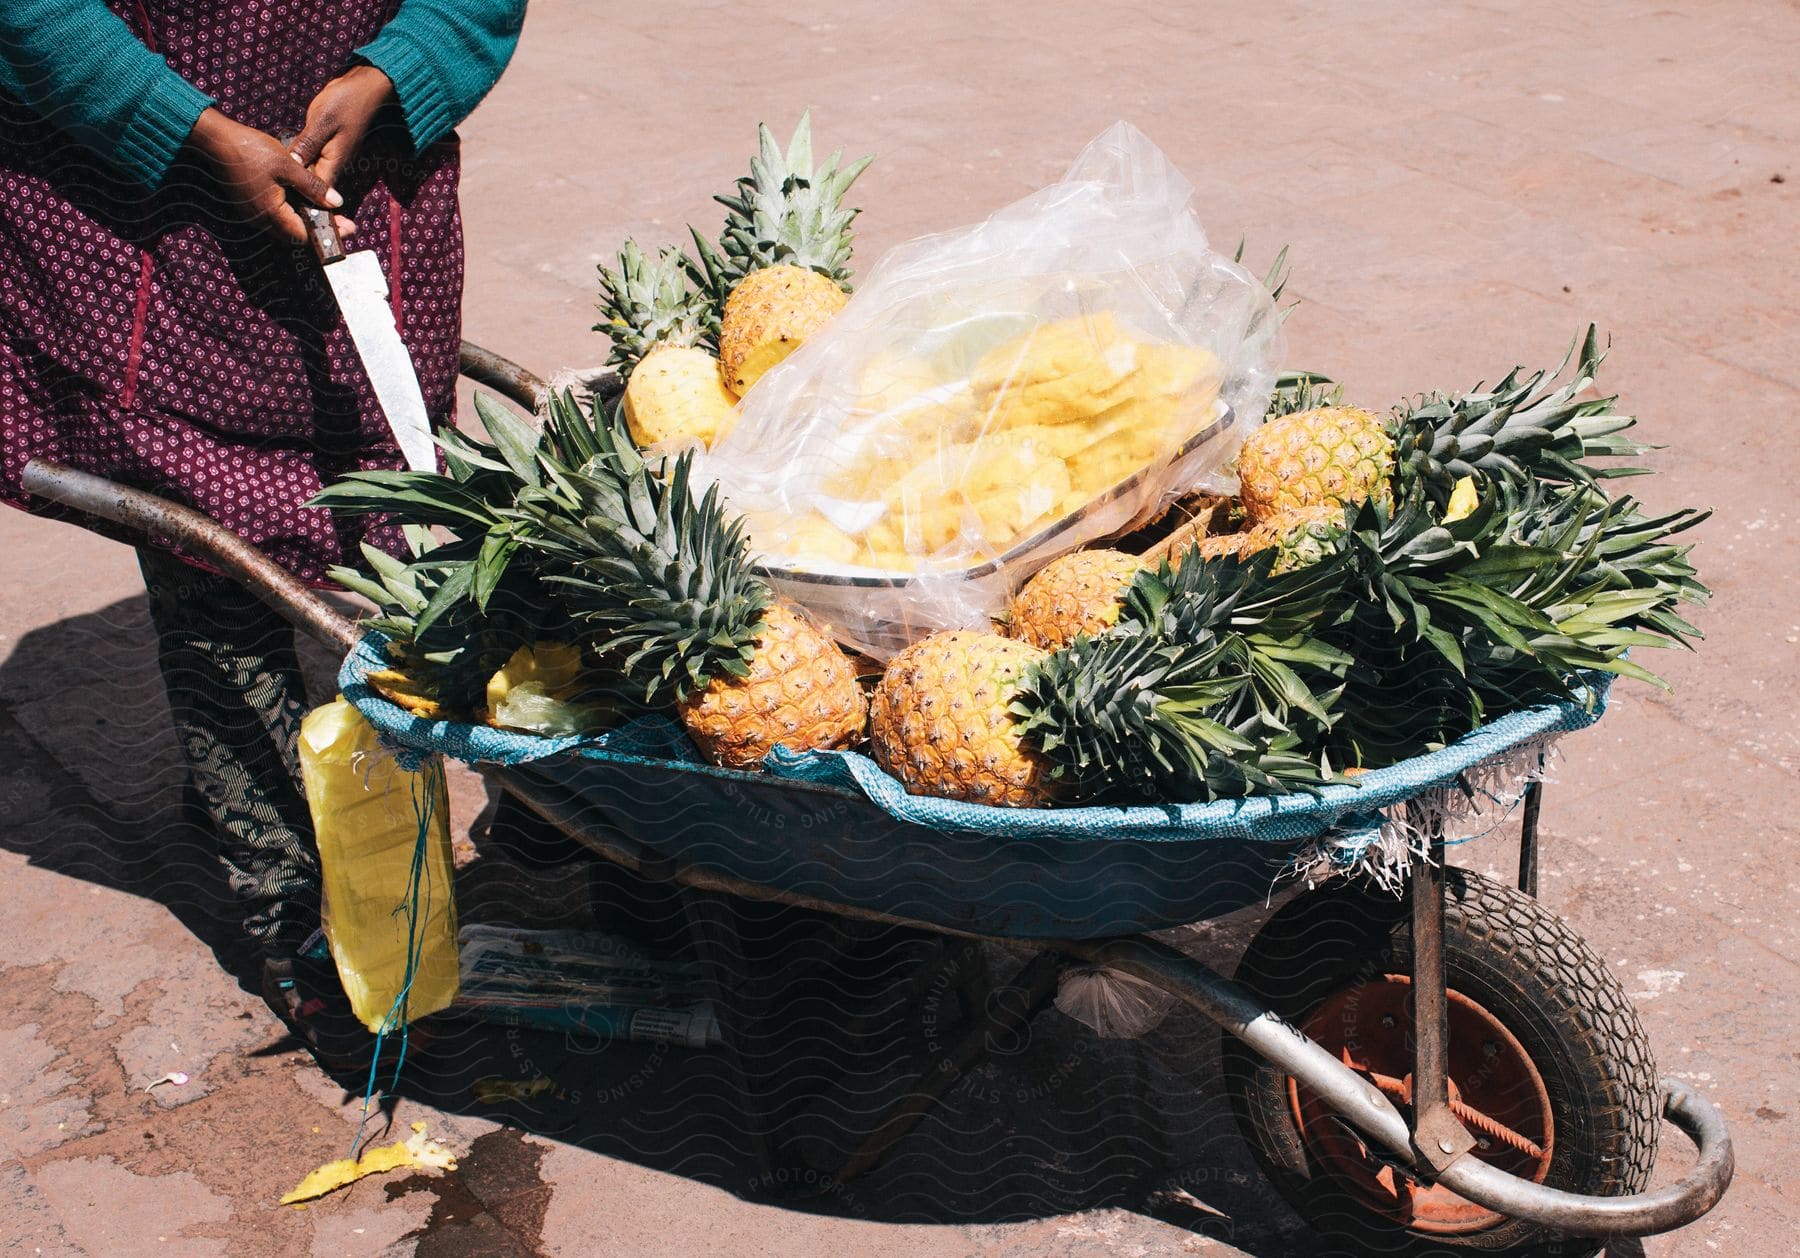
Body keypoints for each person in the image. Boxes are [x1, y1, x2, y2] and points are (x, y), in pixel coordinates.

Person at [0, 0, 527, 1068]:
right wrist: (184, 125)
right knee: (210, 564)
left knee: (391, 503)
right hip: (142, 200)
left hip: (362, 180)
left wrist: (396, 70)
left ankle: (471, 778)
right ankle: (286, 900)